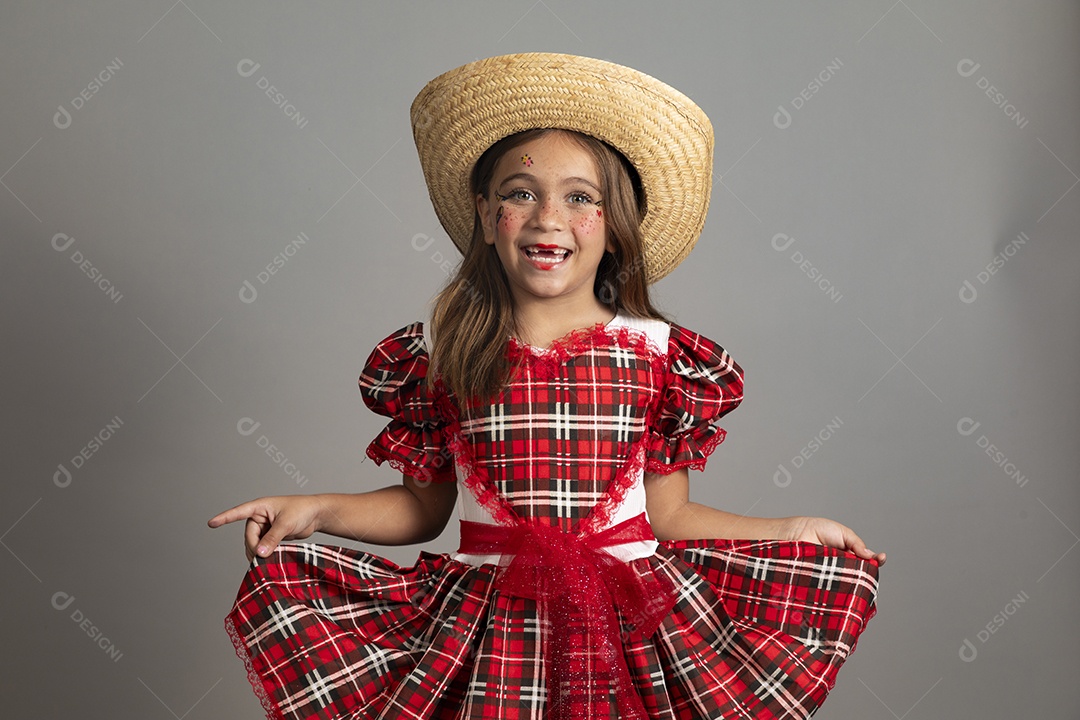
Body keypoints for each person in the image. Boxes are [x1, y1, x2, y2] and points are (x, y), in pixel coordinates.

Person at [208, 52, 884, 720]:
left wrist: (794, 528)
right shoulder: (446, 356)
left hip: (624, 627)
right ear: (484, 213)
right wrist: (317, 510)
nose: (547, 218)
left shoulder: (661, 356)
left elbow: (670, 518)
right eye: (520, 194)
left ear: (616, 227)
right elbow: (424, 511)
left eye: (581, 198)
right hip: (490, 635)